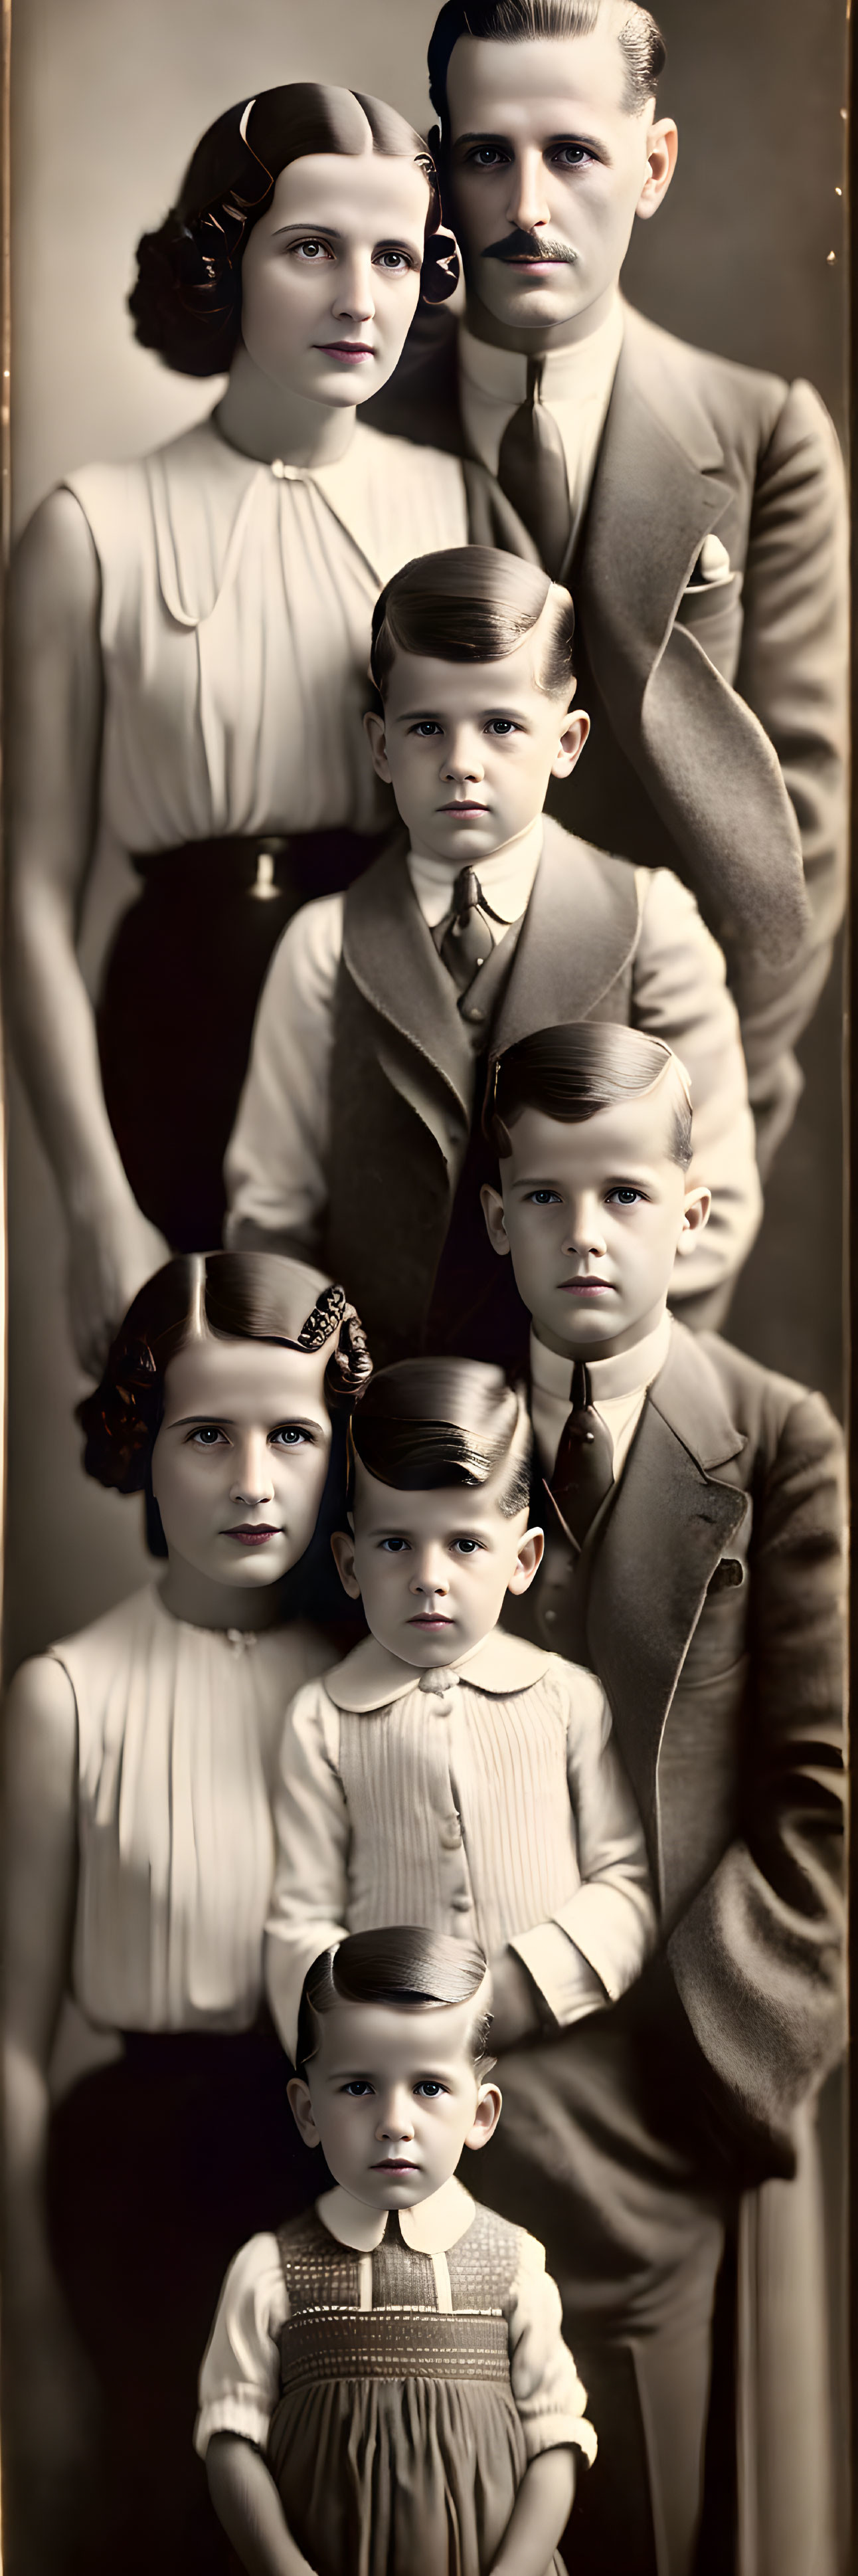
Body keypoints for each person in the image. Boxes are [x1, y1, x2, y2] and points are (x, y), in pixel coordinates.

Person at [7, 82, 470, 1371]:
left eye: (392, 255)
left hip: (390, 1016)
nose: (358, 298)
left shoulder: (463, 510)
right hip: (176, 1023)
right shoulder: (89, 529)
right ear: (225, 262)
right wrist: (93, 1200)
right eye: (310, 248)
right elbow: (32, 896)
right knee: (227, 1466)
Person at [472, 1021, 845, 2576]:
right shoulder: (442, 1434)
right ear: (493, 1211)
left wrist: (678, 2071)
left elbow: (817, 1812)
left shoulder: (771, 1441)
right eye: (544, 1196)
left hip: (663, 2091)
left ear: (691, 1210)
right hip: (447, 2095)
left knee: (653, 2522)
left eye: (622, 1193)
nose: (581, 1236)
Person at [365, 0, 847, 1177]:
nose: (529, 210)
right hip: (386, 1106)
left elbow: (801, 844)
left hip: (656, 1123)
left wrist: (695, 1144)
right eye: (487, 157)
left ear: (652, 164)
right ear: (440, 173)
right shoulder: (359, 422)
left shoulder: (763, 436)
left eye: (572, 152)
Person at [1, 1249, 371, 2576]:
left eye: (292, 1435)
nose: (253, 1483)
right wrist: (30, 2324)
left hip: (336, 2182)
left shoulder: (374, 1690)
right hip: (138, 2210)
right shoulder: (68, 1697)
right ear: (141, 1447)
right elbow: (12, 2047)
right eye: (206, 1437)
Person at [226, 544, 760, 1365]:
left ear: (567, 740)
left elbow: (709, 1203)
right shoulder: (323, 944)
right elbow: (273, 1209)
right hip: (385, 1425)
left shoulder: (652, 926)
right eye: (426, 727)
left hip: (588, 1408)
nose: (461, 764)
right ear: (379, 745)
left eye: (502, 726)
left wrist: (604, 1382)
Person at [264, 1354, 655, 2090]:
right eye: (394, 1543)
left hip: (555, 2049)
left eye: (465, 1544)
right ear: (348, 1563)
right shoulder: (321, 1720)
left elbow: (625, 1884)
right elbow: (300, 1919)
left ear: (523, 1556)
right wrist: (367, 2031)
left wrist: (520, 1988)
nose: (429, 1576)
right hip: (392, 2080)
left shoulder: (568, 1700)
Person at [197, 1928, 597, 2576]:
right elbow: (230, 2437)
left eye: (430, 2088)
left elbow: (555, 2437)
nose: (394, 2120)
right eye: (358, 2087)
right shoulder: (270, 2271)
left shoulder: (515, 2267)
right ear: (306, 2111)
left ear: (480, 2113)